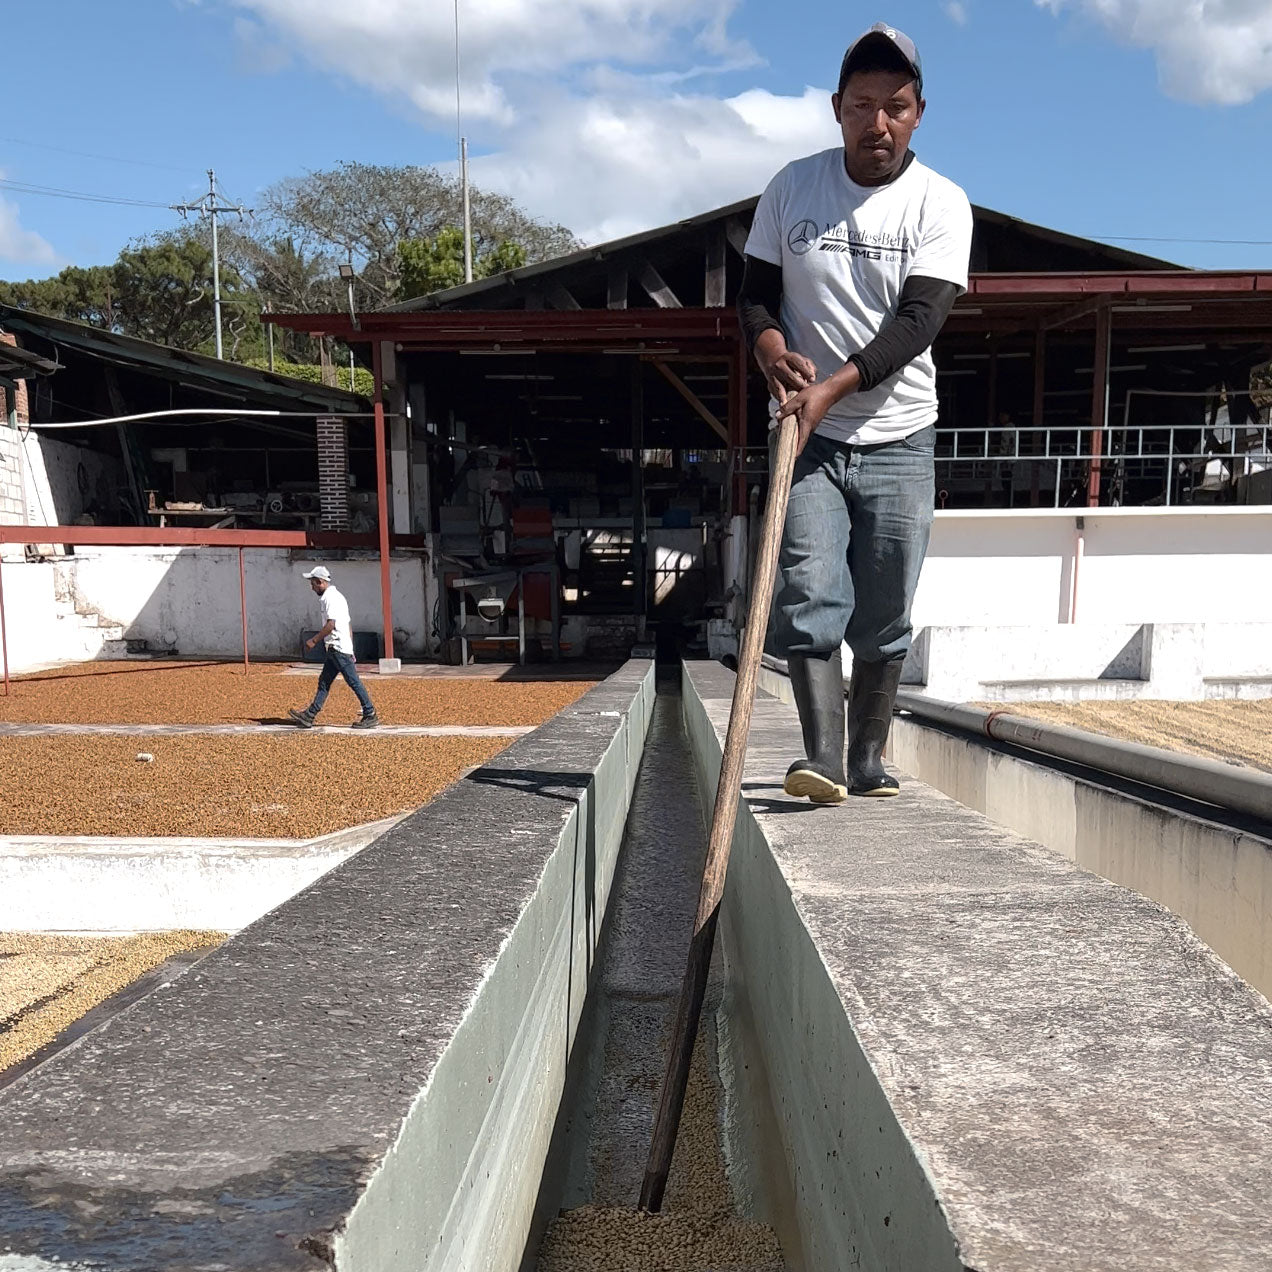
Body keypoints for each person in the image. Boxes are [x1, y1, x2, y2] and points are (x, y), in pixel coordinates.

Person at [738, 21, 972, 802]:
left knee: (885, 607)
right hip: (807, 436)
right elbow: (754, 297)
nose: (878, 123)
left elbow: (918, 323)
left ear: (919, 114)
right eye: (863, 105)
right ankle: (825, 761)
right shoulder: (792, 188)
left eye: (895, 107)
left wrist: (833, 386)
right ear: (836, 108)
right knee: (809, 593)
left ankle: (867, 758)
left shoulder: (940, 203)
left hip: (900, 434)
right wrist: (772, 351)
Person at [288, 565, 380, 729]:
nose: (312, 587)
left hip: (338, 648)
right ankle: (309, 715)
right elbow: (347, 624)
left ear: (320, 582)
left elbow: (331, 624)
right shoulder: (338, 597)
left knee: (353, 681)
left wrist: (314, 640)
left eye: (313, 583)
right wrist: (350, 647)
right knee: (325, 681)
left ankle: (370, 712)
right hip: (338, 647)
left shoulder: (329, 598)